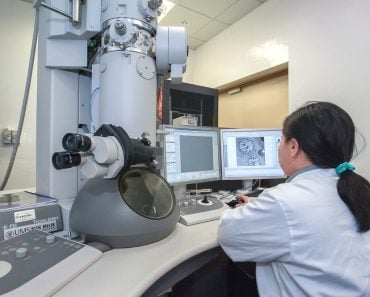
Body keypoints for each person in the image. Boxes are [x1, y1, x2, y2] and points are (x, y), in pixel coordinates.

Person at [218, 101, 370, 297]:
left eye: (280, 140)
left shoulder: (284, 201)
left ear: (293, 147)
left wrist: (242, 210)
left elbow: (228, 232)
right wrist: (259, 207)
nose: (278, 147)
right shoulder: (356, 192)